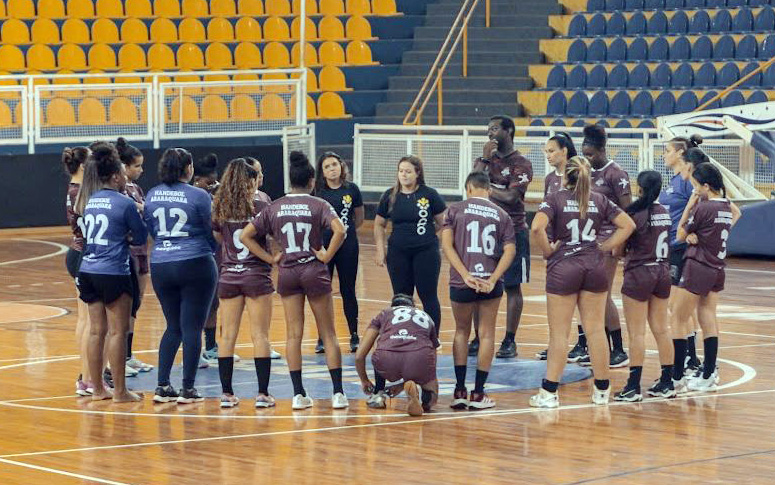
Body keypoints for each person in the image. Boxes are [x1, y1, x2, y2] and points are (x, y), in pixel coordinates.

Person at [241, 151, 348, 410]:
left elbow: (246, 235)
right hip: (313, 269)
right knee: (329, 334)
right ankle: (338, 394)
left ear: (291, 181)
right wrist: (327, 255)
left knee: (293, 335)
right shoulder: (318, 204)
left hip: (288, 272)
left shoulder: (274, 206)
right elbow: (341, 230)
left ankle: (299, 395)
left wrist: (270, 259)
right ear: (312, 180)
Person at [529, 156, 635, 408]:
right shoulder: (599, 199)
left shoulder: (555, 198)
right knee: (596, 330)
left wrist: (547, 251)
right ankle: (602, 391)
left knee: (559, 333)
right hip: (594, 265)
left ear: (565, 176)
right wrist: (606, 246)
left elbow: (535, 227)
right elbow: (628, 225)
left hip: (564, 266)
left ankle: (549, 393)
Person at [74, 142, 147, 402]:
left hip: (88, 270)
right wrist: (126, 235)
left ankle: (97, 390)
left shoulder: (89, 200)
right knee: (118, 331)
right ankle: (120, 391)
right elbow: (140, 237)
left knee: (96, 331)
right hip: (114, 270)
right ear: (116, 175)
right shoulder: (124, 202)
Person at [146, 148, 219, 404]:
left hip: (161, 264)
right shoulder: (199, 195)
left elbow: (152, 229)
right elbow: (211, 231)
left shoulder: (152, 194)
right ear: (187, 168)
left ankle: (162, 385)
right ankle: (187, 388)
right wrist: (211, 249)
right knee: (192, 328)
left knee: (172, 326)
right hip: (195, 262)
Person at [442, 171, 516, 409]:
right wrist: (494, 278)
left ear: (468, 188)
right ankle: (479, 393)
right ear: (489, 191)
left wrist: (464, 274)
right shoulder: (502, 215)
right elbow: (510, 251)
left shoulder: (454, 210)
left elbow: (446, 245)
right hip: (488, 282)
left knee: (461, 331)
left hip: (462, 281)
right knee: (486, 334)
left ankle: (459, 390)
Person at [211, 159, 276, 408]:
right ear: (250, 178)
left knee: (227, 336)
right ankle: (262, 394)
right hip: (256, 274)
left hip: (229, 273)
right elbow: (271, 231)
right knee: (260, 335)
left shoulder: (221, 202)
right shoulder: (261, 201)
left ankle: (226, 394)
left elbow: (218, 235)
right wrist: (271, 257)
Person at [671, 163, 741, 393]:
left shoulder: (704, 208)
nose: (693, 190)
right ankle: (709, 372)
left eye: (695, 186)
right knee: (708, 316)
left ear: (706, 186)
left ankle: (676, 376)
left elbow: (680, 233)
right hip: (717, 267)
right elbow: (731, 219)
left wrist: (690, 206)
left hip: (698, 266)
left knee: (678, 319)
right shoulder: (726, 205)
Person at [469, 115, 533, 359]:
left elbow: (511, 198)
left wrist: (486, 189)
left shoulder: (521, 163)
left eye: (495, 128)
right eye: (488, 128)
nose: (490, 133)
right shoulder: (485, 161)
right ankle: (478, 337)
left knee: (512, 286)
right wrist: (484, 160)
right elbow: (471, 186)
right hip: (485, 229)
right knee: (478, 284)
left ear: (509, 131)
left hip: (513, 230)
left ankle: (509, 340)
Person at [614, 171, 675, 402]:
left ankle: (632, 386)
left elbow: (618, 250)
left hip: (640, 272)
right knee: (662, 329)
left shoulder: (634, 214)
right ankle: (667, 381)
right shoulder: (665, 213)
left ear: (639, 188)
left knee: (637, 333)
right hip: (662, 271)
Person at [374, 155, 446, 337]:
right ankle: (403, 336)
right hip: (398, 253)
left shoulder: (429, 194)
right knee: (401, 298)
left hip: (426, 252)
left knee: (428, 296)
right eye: (401, 171)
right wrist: (380, 250)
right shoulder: (389, 196)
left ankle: (433, 338)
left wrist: (428, 235)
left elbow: (443, 222)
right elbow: (379, 224)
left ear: (417, 173)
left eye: (408, 171)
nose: (404, 175)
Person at [580, 124, 631, 367]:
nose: (588, 158)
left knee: (604, 295)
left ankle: (619, 350)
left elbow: (628, 211)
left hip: (610, 241)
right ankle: (600, 347)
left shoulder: (616, 173)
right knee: (593, 296)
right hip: (592, 240)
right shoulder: (587, 173)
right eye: (585, 154)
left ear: (602, 149)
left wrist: (620, 245)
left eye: (591, 154)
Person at [659, 136, 706, 376]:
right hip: (671, 246)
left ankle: (690, 358)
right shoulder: (676, 180)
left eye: (667, 150)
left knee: (678, 307)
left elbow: (701, 203)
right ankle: (692, 357)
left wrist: (691, 232)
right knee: (678, 307)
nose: (664, 155)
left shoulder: (688, 181)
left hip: (680, 247)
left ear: (679, 153)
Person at [536, 132, 584, 362]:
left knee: (586, 302)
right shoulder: (549, 180)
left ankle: (584, 343)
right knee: (556, 303)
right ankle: (555, 344)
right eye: (546, 151)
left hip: (577, 245)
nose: (548, 155)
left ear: (565, 150)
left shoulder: (580, 175)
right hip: (557, 247)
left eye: (552, 150)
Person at [355, 294, 439, 417]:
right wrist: (416, 381)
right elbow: (432, 359)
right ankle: (425, 402)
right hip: (419, 359)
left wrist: (364, 380)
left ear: (393, 306)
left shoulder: (385, 313)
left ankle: (378, 394)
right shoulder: (425, 316)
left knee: (381, 344)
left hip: (387, 359)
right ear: (413, 306)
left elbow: (359, 356)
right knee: (431, 392)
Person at [313, 152, 364, 354]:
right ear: (322, 172)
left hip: (348, 246)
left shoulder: (352, 189)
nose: (332, 168)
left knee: (348, 290)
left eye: (335, 164)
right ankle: (322, 337)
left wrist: (345, 233)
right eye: (327, 166)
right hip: (324, 247)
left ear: (341, 166)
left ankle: (353, 334)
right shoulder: (318, 192)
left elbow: (358, 218)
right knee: (322, 291)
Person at [116, 137, 154, 375]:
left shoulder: (137, 189)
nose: (141, 170)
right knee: (125, 304)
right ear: (124, 167)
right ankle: (119, 357)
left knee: (135, 305)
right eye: (137, 166)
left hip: (141, 252)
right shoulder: (118, 189)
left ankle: (128, 355)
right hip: (127, 252)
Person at [64, 146, 95, 396]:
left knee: (85, 319)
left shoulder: (73, 188)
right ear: (84, 166)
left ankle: (88, 374)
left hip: (77, 253)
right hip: (84, 254)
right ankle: (87, 377)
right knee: (88, 320)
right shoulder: (82, 192)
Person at [244, 156, 282, 360]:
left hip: (232, 265)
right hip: (256, 264)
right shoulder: (261, 200)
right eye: (257, 173)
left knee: (229, 314)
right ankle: (264, 346)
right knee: (261, 313)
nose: (261, 176)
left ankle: (219, 347)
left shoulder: (224, 197)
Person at [193, 153, 227, 367]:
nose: (212, 185)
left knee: (214, 302)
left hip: (216, 254)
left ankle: (211, 345)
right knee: (198, 305)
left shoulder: (216, 195)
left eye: (215, 181)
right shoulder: (193, 198)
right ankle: (194, 349)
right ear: (196, 180)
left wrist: (220, 193)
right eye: (208, 182)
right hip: (197, 255)